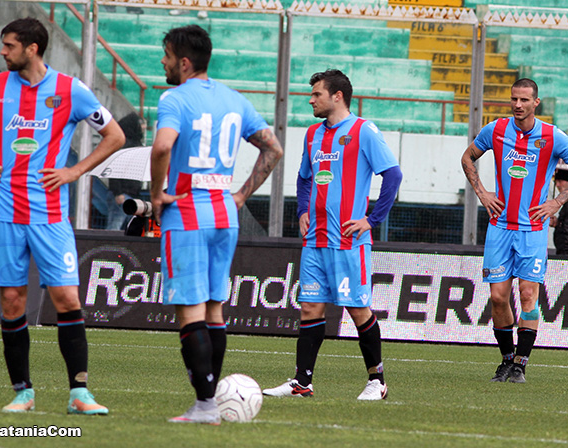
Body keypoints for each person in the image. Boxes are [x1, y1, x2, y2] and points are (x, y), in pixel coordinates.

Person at [0, 17, 125, 414]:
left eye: (10, 45)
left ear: (32, 48)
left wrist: (74, 171)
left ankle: (79, 394)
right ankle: (23, 393)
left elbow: (115, 135)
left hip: (49, 214)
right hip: (3, 211)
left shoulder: (70, 90)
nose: (3, 51)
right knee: (11, 301)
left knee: (66, 297)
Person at [149, 25, 283, 424]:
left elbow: (162, 145)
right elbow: (273, 148)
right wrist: (240, 195)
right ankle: (208, 402)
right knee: (214, 310)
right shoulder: (234, 99)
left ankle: (206, 406)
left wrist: (157, 193)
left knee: (190, 311)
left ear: (183, 62)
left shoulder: (175, 98)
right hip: (225, 212)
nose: (163, 62)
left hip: (187, 211)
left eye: (167, 55)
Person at [263, 69, 403, 401]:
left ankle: (377, 382)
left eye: (317, 94)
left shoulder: (363, 130)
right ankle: (302, 382)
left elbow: (393, 175)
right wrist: (303, 210)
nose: (311, 100)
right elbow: (303, 178)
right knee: (310, 308)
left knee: (357, 310)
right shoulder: (312, 133)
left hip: (348, 241)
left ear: (337, 96)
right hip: (315, 240)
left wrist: (372, 220)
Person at [460, 78, 568, 383]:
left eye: (524, 100)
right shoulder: (495, 130)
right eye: (514, 99)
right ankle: (507, 359)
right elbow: (468, 157)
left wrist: (557, 202)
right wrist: (482, 193)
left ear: (536, 102)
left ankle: (520, 364)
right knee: (498, 297)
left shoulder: (552, 136)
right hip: (500, 227)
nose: (517, 105)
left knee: (528, 294)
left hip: (532, 230)